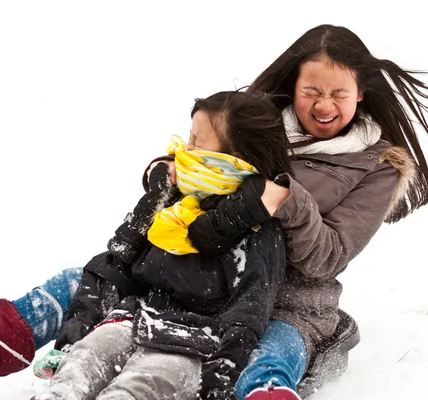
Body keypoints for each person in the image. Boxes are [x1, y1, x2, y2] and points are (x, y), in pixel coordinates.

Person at [0, 24, 428, 400]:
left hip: (285, 302)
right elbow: (190, 159)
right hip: (190, 276)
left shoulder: (377, 166)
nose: (324, 105)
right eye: (312, 90)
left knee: (263, 366)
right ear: (294, 87)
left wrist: (286, 200)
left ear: (360, 93)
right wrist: (166, 174)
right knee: (71, 286)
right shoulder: (248, 121)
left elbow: (327, 258)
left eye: (339, 94)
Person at [33, 90, 293, 400]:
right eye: (189, 137)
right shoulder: (176, 206)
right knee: (84, 361)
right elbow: (115, 270)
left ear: (233, 158)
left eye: (198, 141)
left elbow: (249, 309)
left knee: (141, 386)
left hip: (192, 342)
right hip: (133, 318)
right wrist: (73, 338)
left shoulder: (257, 229)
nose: (186, 149)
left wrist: (221, 374)